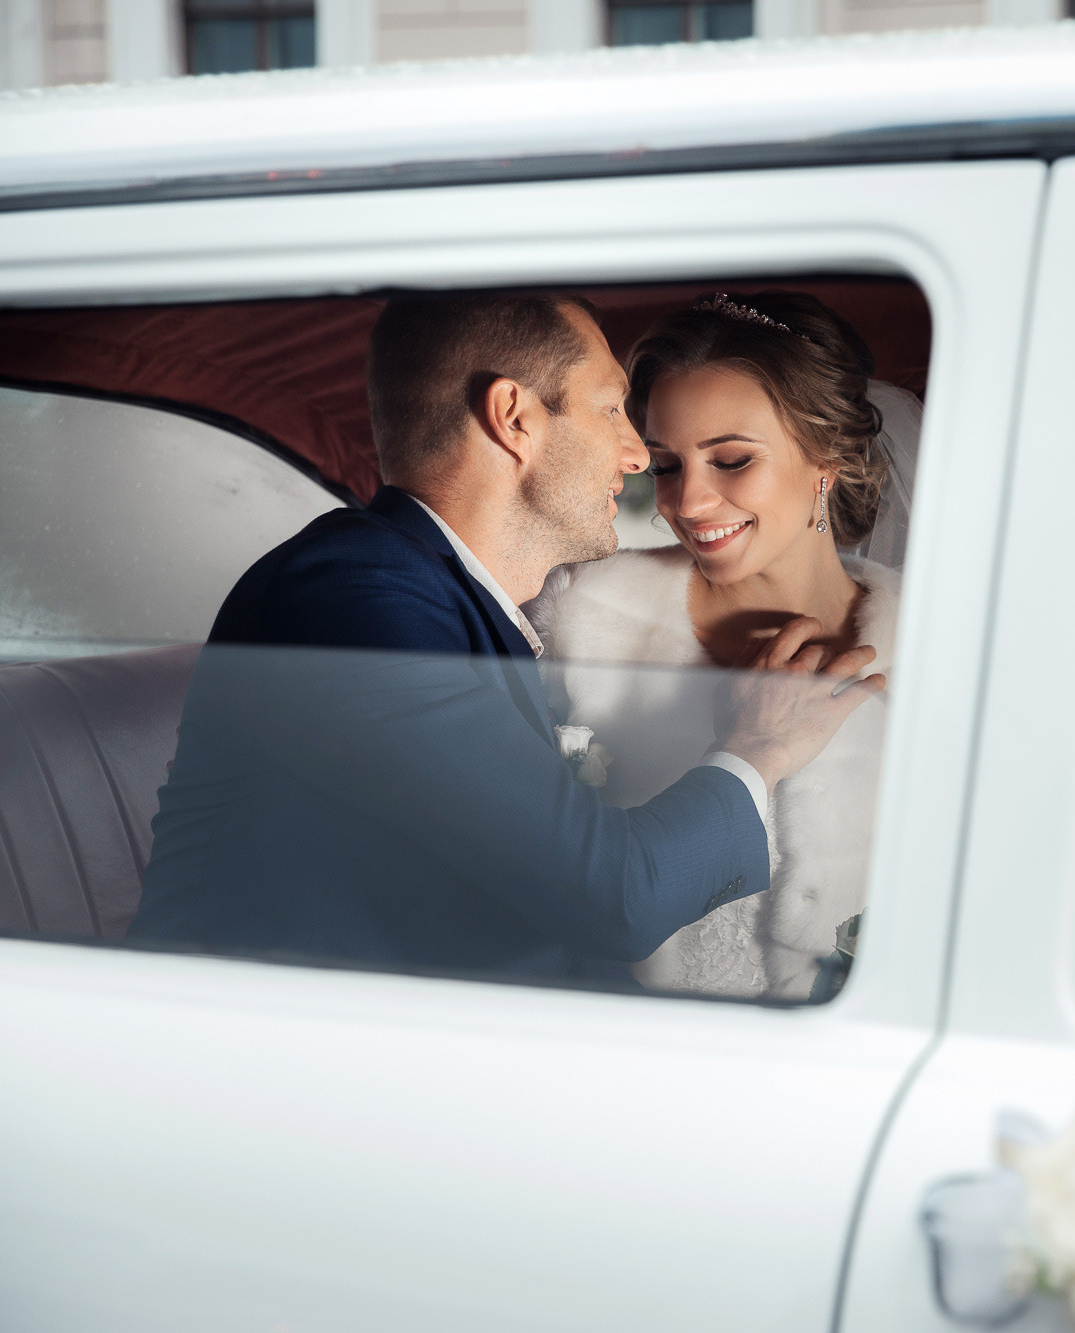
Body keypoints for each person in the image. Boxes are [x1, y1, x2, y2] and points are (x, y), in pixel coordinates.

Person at [128, 293, 883, 982]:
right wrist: (762, 747)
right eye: (613, 410)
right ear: (515, 419)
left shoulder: (453, 604)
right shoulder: (349, 595)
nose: (636, 458)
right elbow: (612, 899)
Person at [528, 292, 906, 1001]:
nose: (688, 503)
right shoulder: (581, 617)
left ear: (826, 457)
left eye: (730, 459)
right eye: (666, 466)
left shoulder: (939, 640)